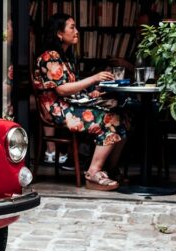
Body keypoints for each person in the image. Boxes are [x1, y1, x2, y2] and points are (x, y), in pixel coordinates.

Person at [34, 13, 130, 191]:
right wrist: (94, 78)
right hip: (59, 111)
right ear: (59, 34)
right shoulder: (50, 57)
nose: (77, 31)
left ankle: (110, 169)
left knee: (123, 118)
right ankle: (93, 173)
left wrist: (100, 87)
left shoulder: (65, 57)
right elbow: (62, 89)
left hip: (71, 105)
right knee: (111, 119)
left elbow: (74, 89)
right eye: (72, 27)